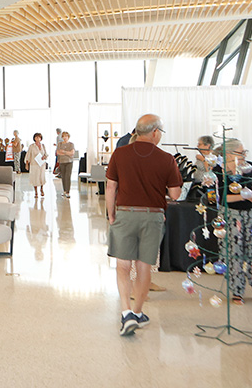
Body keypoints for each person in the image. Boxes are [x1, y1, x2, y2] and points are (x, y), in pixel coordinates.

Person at [105, 114, 182, 336]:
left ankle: (125, 312)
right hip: (153, 216)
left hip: (125, 214)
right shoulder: (166, 158)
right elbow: (175, 194)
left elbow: (111, 187)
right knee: (143, 266)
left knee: (122, 266)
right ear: (155, 132)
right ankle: (138, 313)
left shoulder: (120, 153)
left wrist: (111, 214)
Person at [212, 139, 252, 305]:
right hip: (232, 215)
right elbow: (221, 197)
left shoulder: (250, 166)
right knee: (234, 253)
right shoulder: (219, 171)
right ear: (229, 154)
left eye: (244, 152)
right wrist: (243, 196)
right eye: (241, 153)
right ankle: (237, 291)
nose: (244, 156)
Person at [25, 133, 48, 198]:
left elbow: (46, 154)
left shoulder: (43, 145)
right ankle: (36, 192)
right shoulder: (32, 146)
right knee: (35, 177)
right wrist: (27, 164)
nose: (38, 139)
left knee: (41, 177)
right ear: (34, 138)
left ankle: (42, 189)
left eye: (39, 137)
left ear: (41, 138)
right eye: (36, 137)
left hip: (42, 164)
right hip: (34, 164)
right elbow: (28, 155)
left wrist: (44, 157)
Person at [55, 132, 75, 198]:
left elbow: (72, 153)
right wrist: (67, 153)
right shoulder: (59, 144)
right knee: (63, 176)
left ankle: (68, 191)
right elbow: (58, 152)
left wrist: (63, 152)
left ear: (68, 137)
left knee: (67, 176)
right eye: (63, 136)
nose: (65, 138)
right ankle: (64, 190)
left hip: (69, 162)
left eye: (66, 136)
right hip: (62, 162)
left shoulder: (71, 144)